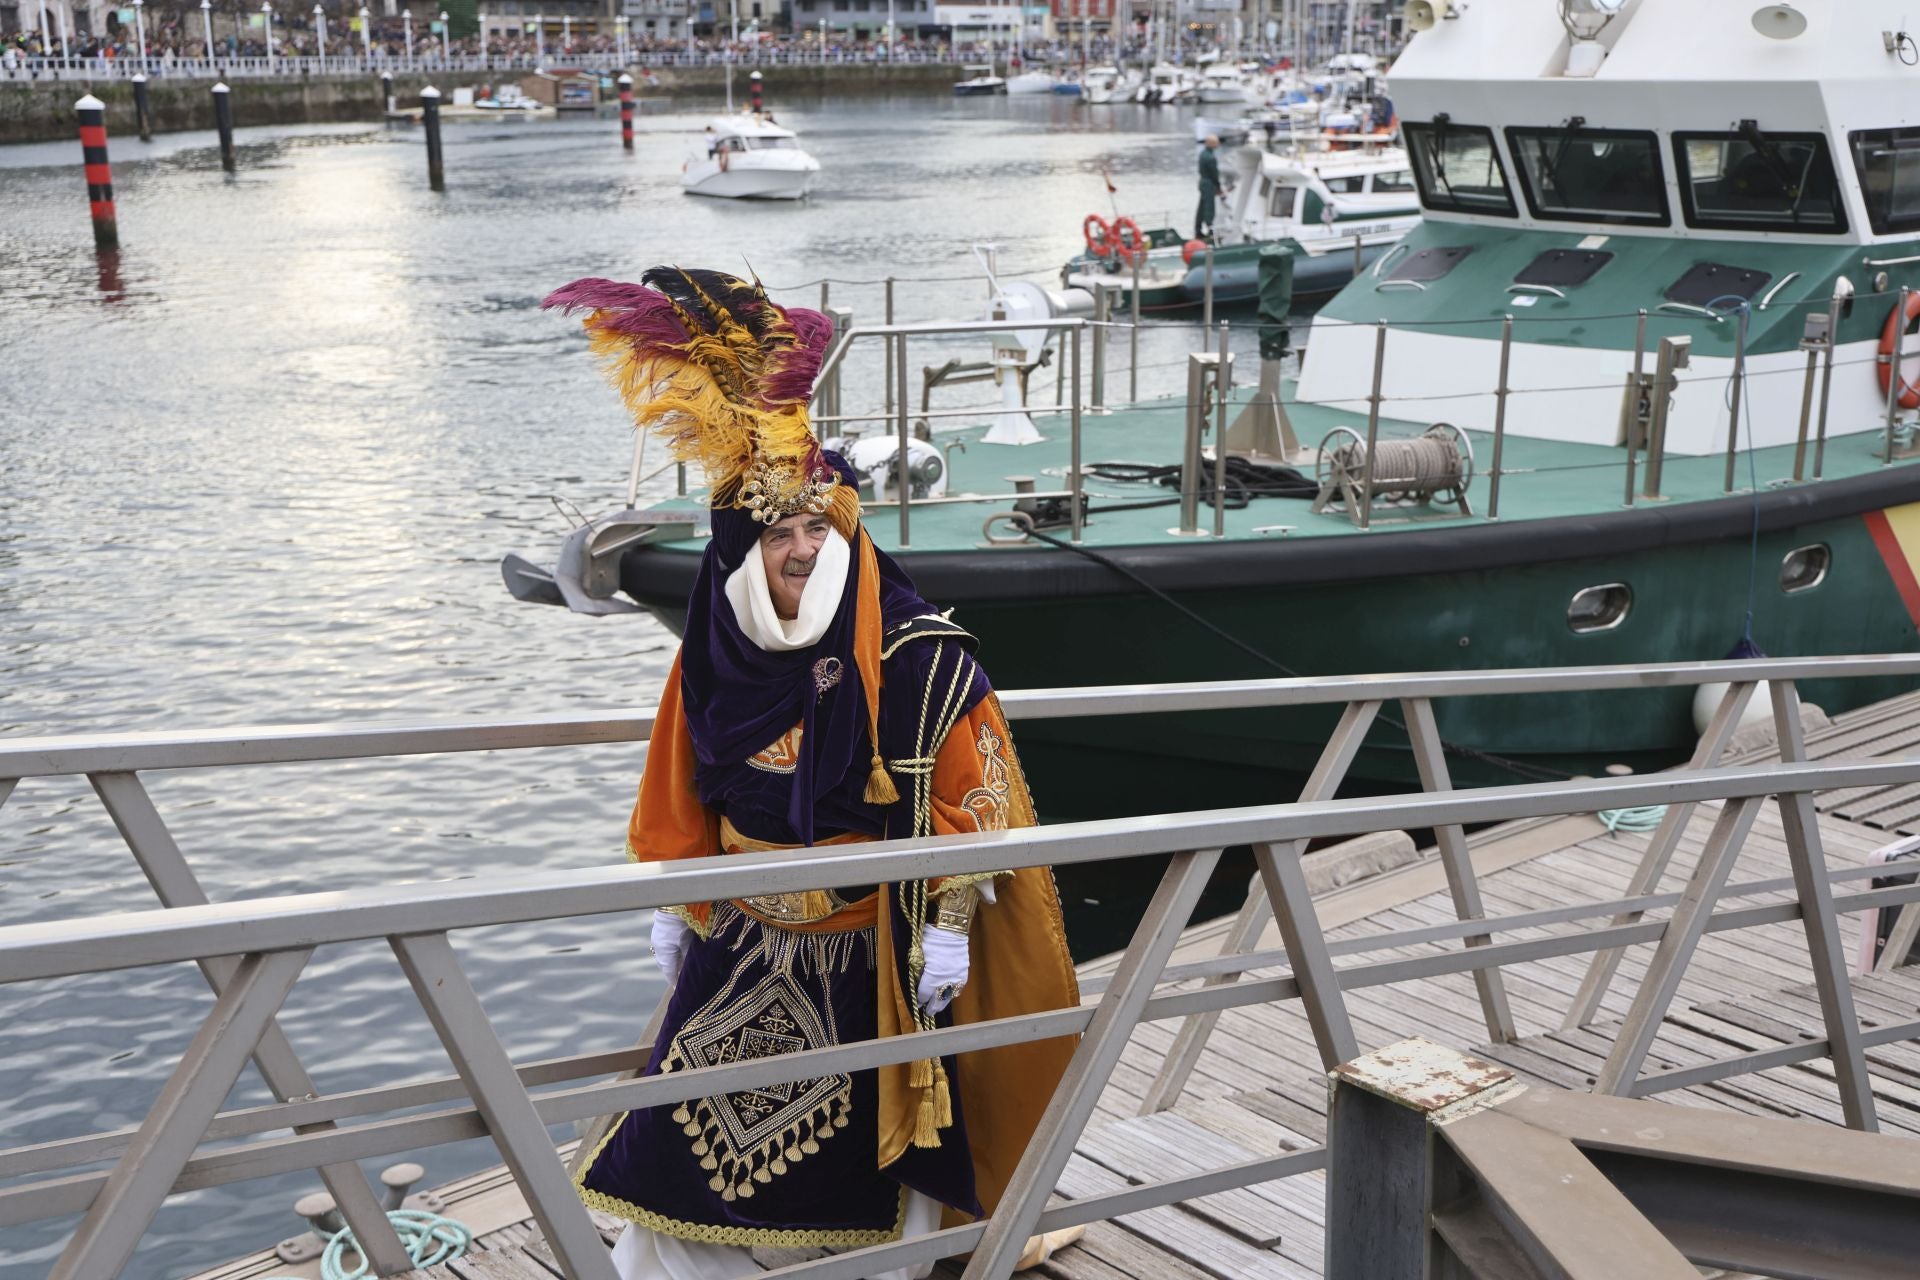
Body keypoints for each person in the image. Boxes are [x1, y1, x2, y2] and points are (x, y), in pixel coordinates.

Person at [542, 269, 1083, 1280]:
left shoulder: (917, 653)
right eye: (776, 532)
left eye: (812, 528)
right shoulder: (713, 649)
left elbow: (976, 796)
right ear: (742, 548)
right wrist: (675, 896)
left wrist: (953, 922)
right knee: (682, 1140)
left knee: (866, 1159)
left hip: (873, 946)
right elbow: (678, 778)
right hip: (741, 930)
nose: (798, 549)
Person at [1196, 134, 1222, 241]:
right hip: (1209, 184)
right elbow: (1214, 174)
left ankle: (1198, 230)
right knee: (1209, 208)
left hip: (1202, 182)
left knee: (1201, 208)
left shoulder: (1202, 154)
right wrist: (1218, 187)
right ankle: (1210, 231)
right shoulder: (1211, 157)